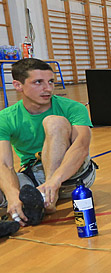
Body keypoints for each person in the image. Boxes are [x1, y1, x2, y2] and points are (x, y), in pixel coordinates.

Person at [0, 58, 96, 228]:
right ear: (17, 85)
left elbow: (81, 148)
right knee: (8, 190)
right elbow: (5, 164)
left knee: (54, 122)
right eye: (38, 82)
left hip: (71, 174)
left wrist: (54, 181)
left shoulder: (73, 108)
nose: (47, 88)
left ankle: (49, 197)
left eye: (51, 82)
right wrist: (12, 195)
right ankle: (30, 205)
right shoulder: (5, 118)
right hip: (33, 174)